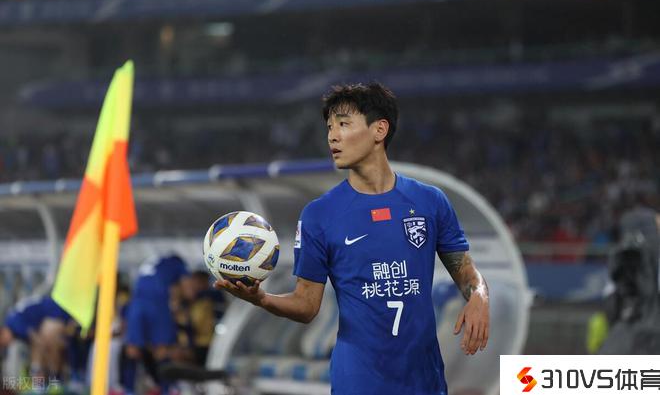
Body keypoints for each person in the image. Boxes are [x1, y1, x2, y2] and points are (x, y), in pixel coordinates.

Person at [215, 82, 490, 395]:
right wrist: (262, 299)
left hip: (425, 381)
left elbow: (466, 272)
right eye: (329, 127)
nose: (332, 136)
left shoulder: (430, 201)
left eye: (344, 124)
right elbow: (307, 305)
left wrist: (479, 296)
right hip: (359, 382)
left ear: (379, 130)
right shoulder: (319, 215)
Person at [123, 254, 196, 395]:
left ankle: (129, 390)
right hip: (157, 304)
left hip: (136, 304)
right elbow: (189, 292)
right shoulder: (178, 264)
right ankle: (166, 389)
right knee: (162, 351)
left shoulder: (152, 261)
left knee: (132, 350)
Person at [1, 294, 71, 379]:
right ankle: (43, 379)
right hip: (50, 315)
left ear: (2, 333)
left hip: (56, 311)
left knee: (47, 340)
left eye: (3, 342)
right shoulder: (13, 325)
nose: (6, 344)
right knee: (40, 344)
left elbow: (36, 340)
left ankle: (56, 377)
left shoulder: (14, 324)